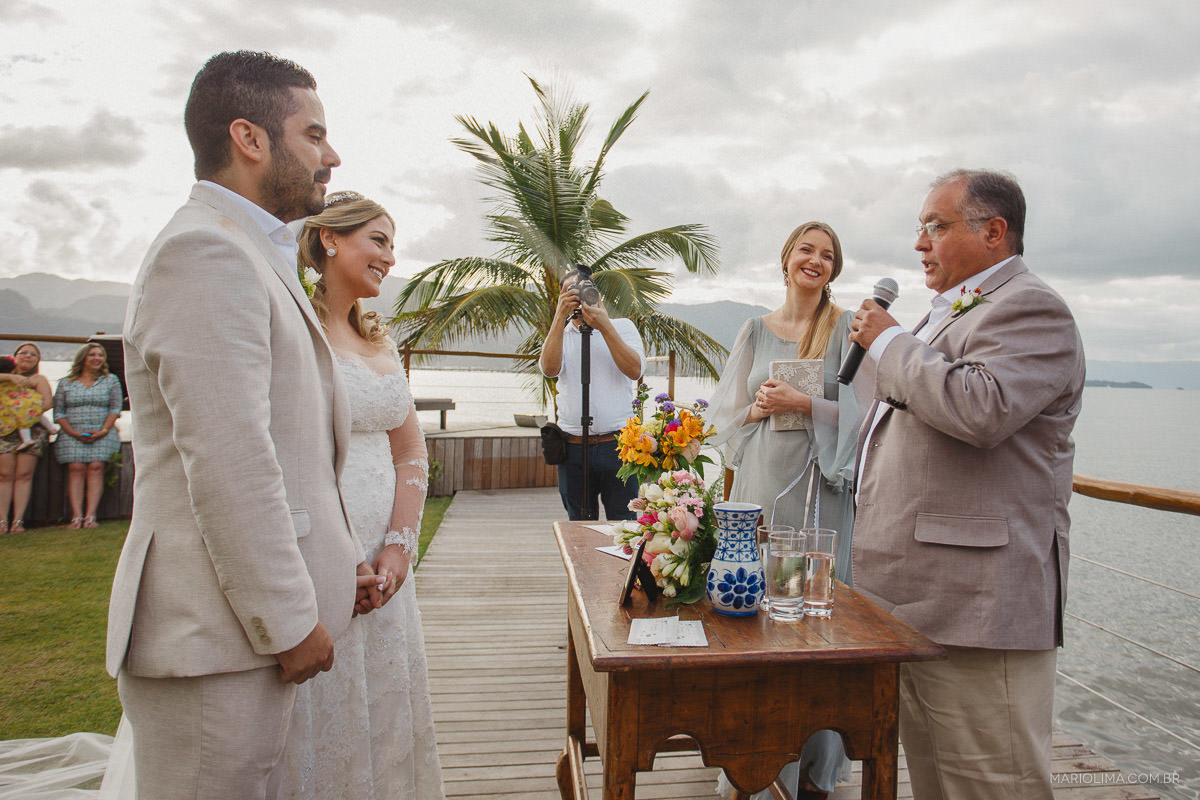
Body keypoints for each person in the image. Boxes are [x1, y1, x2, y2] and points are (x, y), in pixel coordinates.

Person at [106, 51, 373, 799]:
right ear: (250, 138)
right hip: (216, 644)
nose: (333, 156)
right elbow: (229, 462)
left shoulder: (252, 252)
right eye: (314, 134)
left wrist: (337, 555)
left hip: (237, 643)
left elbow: (295, 451)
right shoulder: (204, 252)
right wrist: (288, 622)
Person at [849, 169, 1085, 800]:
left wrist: (890, 341)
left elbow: (981, 408)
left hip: (979, 605)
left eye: (937, 225)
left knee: (992, 784)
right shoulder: (945, 312)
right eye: (920, 228)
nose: (921, 243)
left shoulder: (1031, 308)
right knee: (935, 782)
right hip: (915, 596)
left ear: (994, 232)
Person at [275, 191, 445, 798]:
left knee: (385, 707)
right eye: (378, 240)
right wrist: (338, 562)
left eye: (393, 246)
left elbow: (409, 452)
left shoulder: (379, 339)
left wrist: (398, 547)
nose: (389, 258)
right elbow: (286, 458)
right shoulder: (291, 325)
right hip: (321, 557)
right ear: (329, 239)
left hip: (387, 563)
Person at [707, 221, 874, 800]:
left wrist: (806, 403)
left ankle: (813, 775)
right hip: (759, 488)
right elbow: (722, 419)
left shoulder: (846, 330)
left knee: (814, 624)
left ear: (834, 269)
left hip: (818, 500)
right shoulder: (753, 330)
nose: (816, 260)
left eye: (827, 254)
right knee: (756, 623)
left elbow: (868, 417)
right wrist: (759, 407)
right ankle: (750, 760)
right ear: (786, 260)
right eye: (807, 249)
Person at [538, 270, 646, 520]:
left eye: (585, 293)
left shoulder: (622, 328)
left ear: (598, 297)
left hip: (618, 446)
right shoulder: (560, 335)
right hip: (573, 448)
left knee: (625, 525)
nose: (579, 299)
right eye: (570, 294)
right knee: (578, 526)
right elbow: (550, 369)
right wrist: (559, 316)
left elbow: (635, 370)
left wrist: (603, 325)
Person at [52, 343, 123, 530]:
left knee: (96, 467)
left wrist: (104, 430)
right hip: (72, 432)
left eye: (100, 355)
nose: (96, 358)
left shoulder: (111, 380)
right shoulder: (65, 383)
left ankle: (91, 516)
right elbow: (58, 412)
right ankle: (77, 516)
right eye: (92, 354)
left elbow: (115, 408)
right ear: (83, 358)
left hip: (102, 431)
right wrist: (73, 432)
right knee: (76, 468)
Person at [0, 343, 53, 534]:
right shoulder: (4, 376)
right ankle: (1, 521)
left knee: (24, 475)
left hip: (32, 429)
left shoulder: (38, 379)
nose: (28, 356)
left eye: (33, 354)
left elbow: (47, 403)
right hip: (4, 430)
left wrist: (22, 412)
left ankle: (18, 521)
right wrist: (10, 377)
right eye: (23, 352)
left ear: (38, 360)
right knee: (4, 475)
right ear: (15, 356)